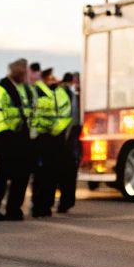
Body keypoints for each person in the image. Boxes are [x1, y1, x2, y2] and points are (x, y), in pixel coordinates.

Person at [0, 59, 37, 221]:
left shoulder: (23, 88)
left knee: (21, 176)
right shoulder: (0, 89)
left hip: (22, 138)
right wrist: (3, 136)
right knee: (2, 175)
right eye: (24, 71)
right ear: (18, 72)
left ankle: (14, 209)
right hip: (5, 138)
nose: (26, 74)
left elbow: (28, 112)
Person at [28, 65, 68, 218]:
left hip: (52, 142)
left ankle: (44, 205)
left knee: (49, 177)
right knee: (41, 177)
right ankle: (39, 206)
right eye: (49, 78)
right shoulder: (38, 95)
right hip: (42, 141)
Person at [54, 72, 81, 213]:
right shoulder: (71, 95)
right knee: (68, 172)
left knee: (64, 172)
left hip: (65, 138)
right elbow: (73, 118)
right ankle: (66, 202)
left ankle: (64, 201)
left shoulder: (62, 93)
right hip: (69, 138)